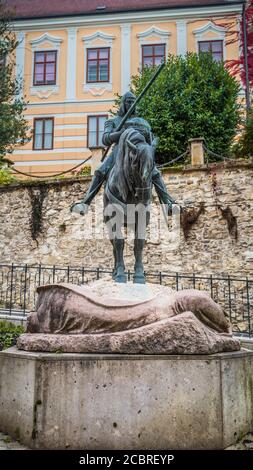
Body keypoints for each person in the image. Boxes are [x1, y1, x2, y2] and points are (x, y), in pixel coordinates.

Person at [70, 91, 176, 215]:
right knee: (100, 171)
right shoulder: (114, 121)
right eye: (128, 101)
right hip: (119, 150)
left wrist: (147, 137)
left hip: (138, 151)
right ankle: (85, 203)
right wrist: (122, 132)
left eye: (133, 102)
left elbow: (149, 139)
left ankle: (168, 203)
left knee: (155, 173)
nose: (131, 104)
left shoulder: (142, 122)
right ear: (123, 103)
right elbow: (105, 139)